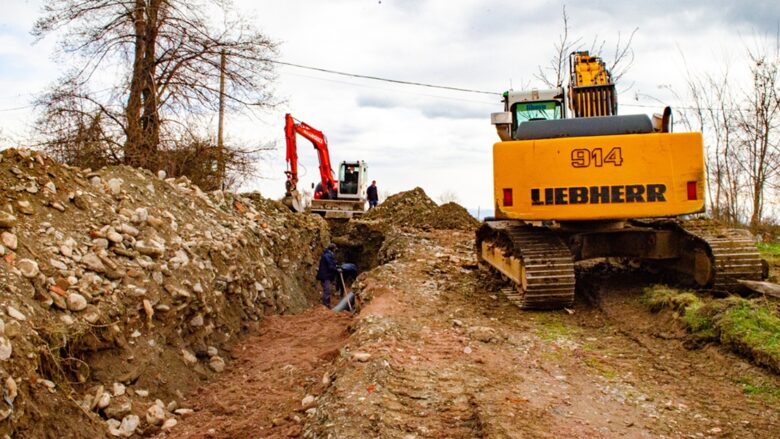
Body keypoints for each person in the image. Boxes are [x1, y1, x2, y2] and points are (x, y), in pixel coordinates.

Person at [316, 243, 338, 307]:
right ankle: (326, 304)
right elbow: (330, 266)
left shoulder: (327, 255)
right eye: (335, 249)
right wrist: (336, 269)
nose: (335, 251)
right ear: (333, 249)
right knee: (327, 289)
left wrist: (335, 265)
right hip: (325, 275)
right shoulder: (328, 255)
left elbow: (331, 263)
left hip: (325, 275)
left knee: (326, 289)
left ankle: (327, 303)